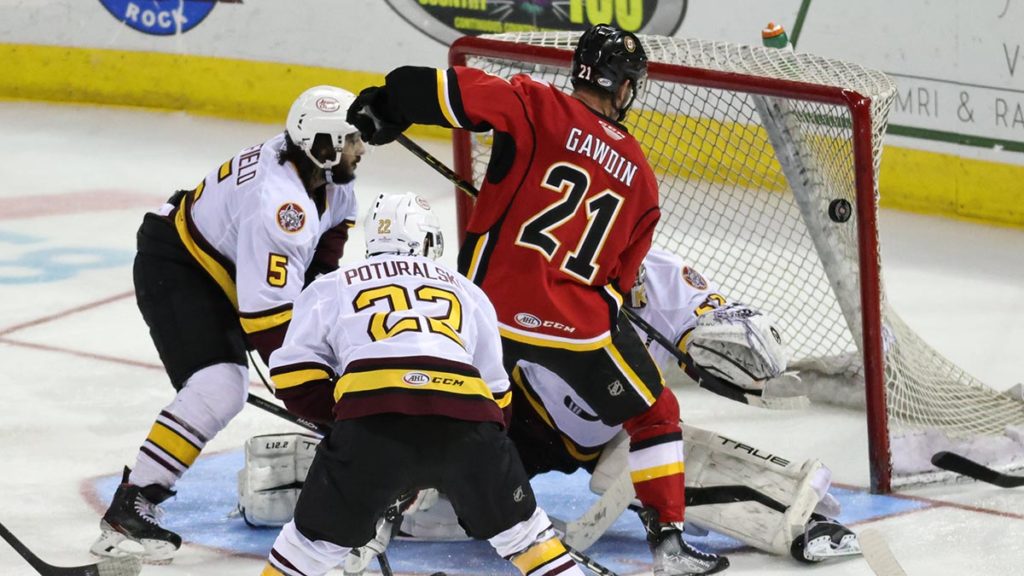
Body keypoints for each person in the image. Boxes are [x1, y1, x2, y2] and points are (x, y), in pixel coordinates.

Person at [347, 23, 727, 576]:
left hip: (486, 312)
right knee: (656, 413)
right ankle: (669, 544)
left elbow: (438, 89)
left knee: (438, 410)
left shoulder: (535, 104)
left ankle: (371, 521)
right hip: (579, 326)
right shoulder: (642, 178)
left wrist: (385, 106)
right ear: (624, 87)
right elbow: (619, 280)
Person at [402, 247, 859, 563]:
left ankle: (800, 517)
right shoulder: (548, 276)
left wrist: (737, 331)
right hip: (524, 418)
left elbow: (710, 313)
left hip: (618, 430)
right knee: (443, 502)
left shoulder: (665, 277)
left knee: (678, 467)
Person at [90, 85, 366, 564]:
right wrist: (321, 404)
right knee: (219, 386)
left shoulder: (330, 183)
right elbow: (270, 329)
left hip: (226, 267)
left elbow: (322, 268)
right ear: (322, 148)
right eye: (351, 141)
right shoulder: (280, 206)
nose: (361, 149)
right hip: (178, 266)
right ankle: (131, 506)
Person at [259, 191, 588, 576]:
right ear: (426, 238)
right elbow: (498, 398)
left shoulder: (331, 286)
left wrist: (349, 417)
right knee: (527, 538)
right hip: (468, 422)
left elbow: (294, 380)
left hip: (372, 424)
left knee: (306, 549)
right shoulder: (467, 290)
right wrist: (461, 452)